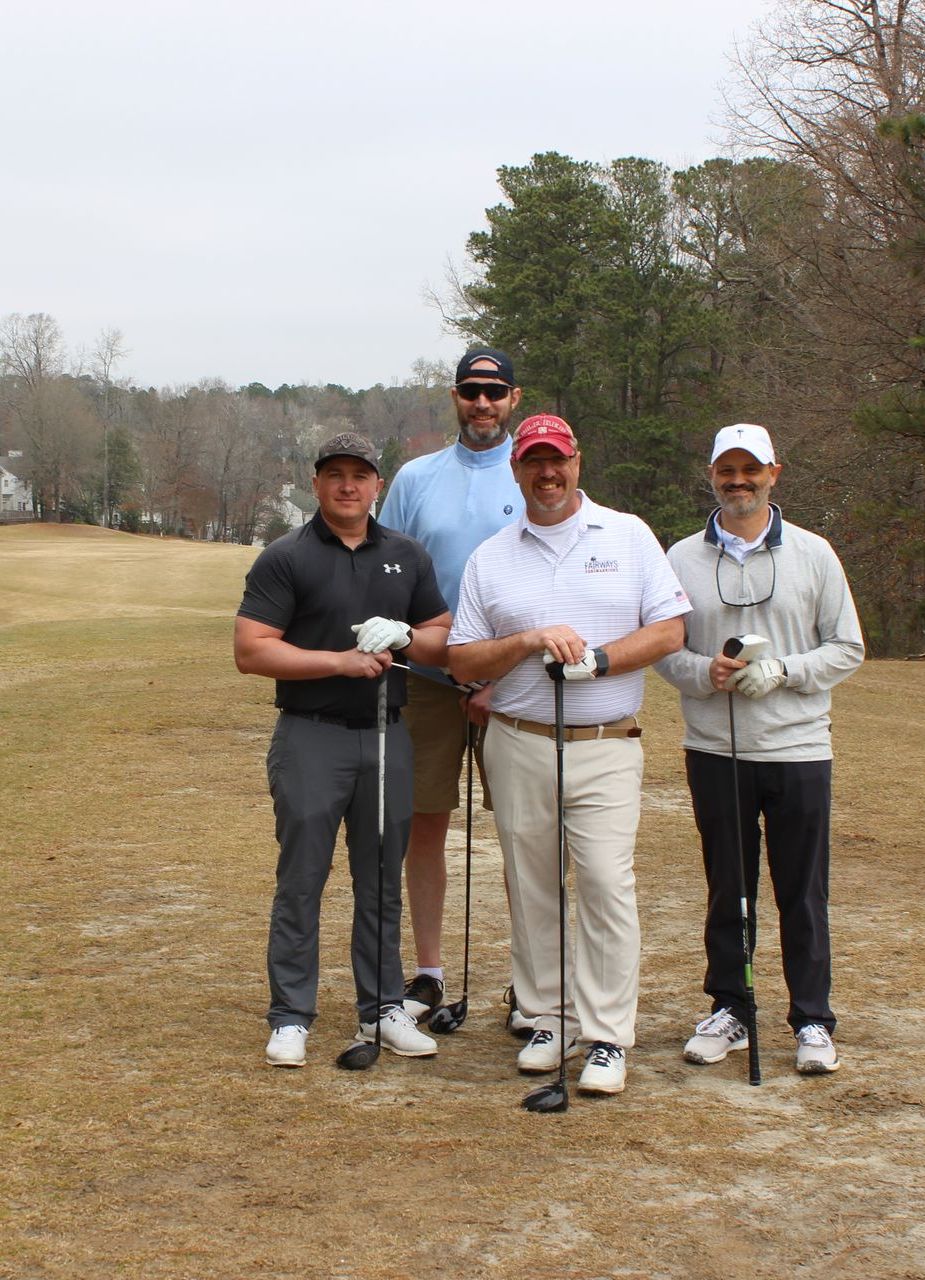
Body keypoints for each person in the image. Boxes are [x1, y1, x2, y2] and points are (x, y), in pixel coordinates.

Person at [447, 414, 690, 1095]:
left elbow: (669, 629)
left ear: (576, 461)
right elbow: (462, 655)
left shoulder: (628, 533)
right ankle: (548, 1015)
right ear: (516, 470)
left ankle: (607, 1034)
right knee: (530, 885)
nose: (546, 474)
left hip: (606, 743)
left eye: (557, 460)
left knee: (607, 885)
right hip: (517, 742)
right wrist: (525, 642)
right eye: (533, 462)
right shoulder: (490, 555)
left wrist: (602, 661)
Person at [234, 431, 452, 1067]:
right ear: (317, 483)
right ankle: (291, 1015)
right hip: (311, 734)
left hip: (388, 734)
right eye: (335, 474)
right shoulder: (287, 556)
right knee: (302, 879)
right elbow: (252, 650)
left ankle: (382, 1005)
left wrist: (408, 636)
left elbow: (440, 635)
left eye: (360, 474)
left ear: (377, 485)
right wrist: (338, 661)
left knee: (381, 878)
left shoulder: (406, 555)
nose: (348, 485)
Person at [655, 423, 864, 1074]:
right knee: (729, 888)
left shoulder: (813, 554)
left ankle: (810, 1018)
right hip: (717, 748)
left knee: (800, 891)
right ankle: (730, 1007)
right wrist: (702, 674)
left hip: (798, 748)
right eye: (726, 470)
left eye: (750, 469)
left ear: (774, 471)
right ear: (711, 474)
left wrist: (785, 672)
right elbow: (665, 647)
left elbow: (846, 647)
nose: (737, 481)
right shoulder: (681, 558)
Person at [378, 347, 530, 1030]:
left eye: (494, 392)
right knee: (424, 824)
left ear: (512, 398)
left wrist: (498, 675)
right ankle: (430, 971)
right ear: (454, 397)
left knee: (526, 832)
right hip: (431, 680)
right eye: (471, 391)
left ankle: (533, 979)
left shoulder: (534, 473)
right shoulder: (415, 478)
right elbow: (392, 576)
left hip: (517, 684)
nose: (482, 403)